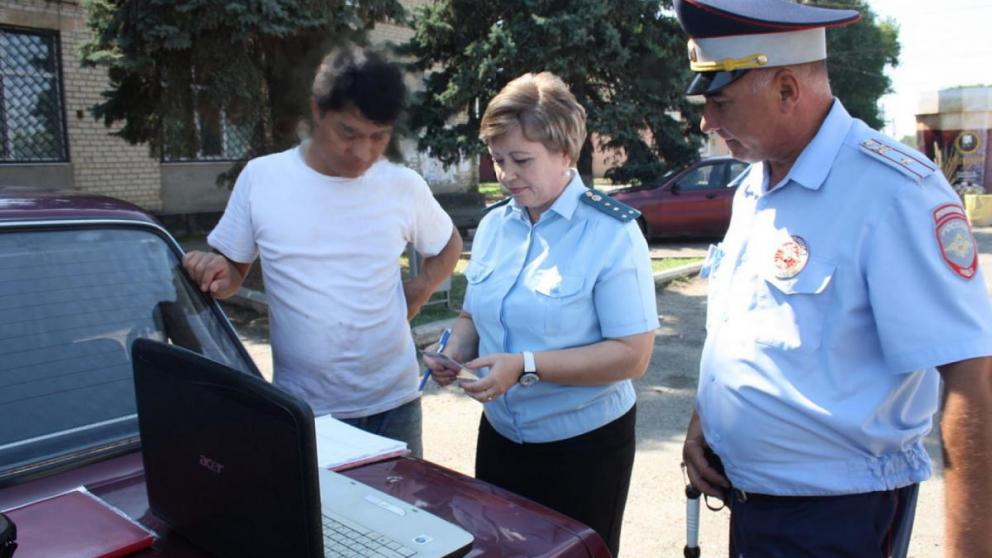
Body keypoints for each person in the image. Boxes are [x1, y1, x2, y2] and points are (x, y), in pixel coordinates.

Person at [672, 1, 992, 557]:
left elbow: (971, 378)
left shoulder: (893, 191)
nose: (706, 123)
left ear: (788, 90)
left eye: (719, 101)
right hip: (750, 499)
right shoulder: (756, 184)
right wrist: (709, 418)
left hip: (838, 516)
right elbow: (748, 324)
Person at [182, 45, 462, 458]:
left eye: (378, 137)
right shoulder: (264, 179)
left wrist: (420, 288)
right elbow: (233, 272)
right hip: (307, 412)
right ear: (318, 112)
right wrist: (215, 272)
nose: (363, 153)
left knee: (401, 520)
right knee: (317, 522)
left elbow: (449, 245)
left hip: (395, 405)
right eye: (348, 132)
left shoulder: (402, 185)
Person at [423, 72, 658, 556]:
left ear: (566, 153)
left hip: (584, 447)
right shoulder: (494, 225)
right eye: (498, 159)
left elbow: (632, 356)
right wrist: (454, 350)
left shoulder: (610, 232)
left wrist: (526, 366)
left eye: (521, 160)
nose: (506, 174)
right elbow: (473, 315)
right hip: (502, 436)